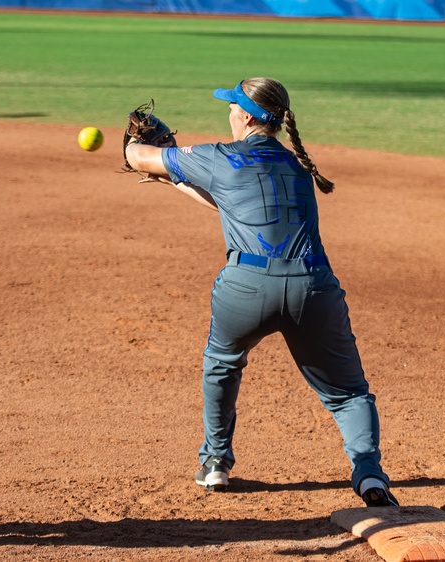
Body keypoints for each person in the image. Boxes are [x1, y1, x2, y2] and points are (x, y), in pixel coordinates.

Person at [123, 77, 398, 508]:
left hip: (247, 289)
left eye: (233, 106)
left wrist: (146, 152)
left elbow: (139, 157)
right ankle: (370, 477)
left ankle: (215, 462)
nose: (229, 112)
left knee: (222, 365)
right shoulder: (297, 166)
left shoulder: (219, 157)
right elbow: (233, 204)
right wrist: (176, 178)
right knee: (347, 395)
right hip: (314, 288)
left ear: (247, 116)